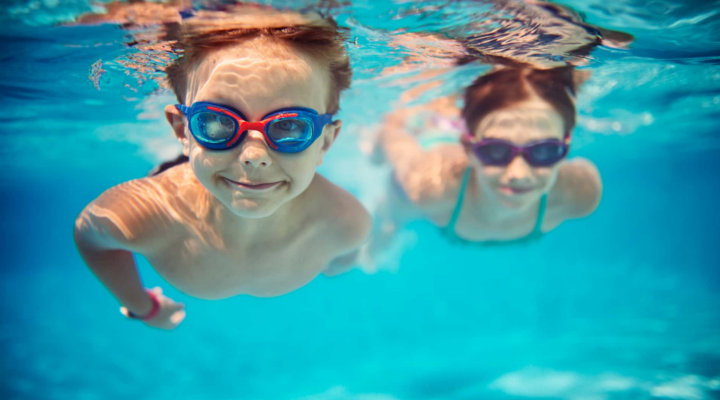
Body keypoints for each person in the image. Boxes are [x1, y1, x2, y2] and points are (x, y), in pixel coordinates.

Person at [73, 6, 371, 330]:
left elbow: (346, 255)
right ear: (181, 131)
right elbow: (90, 238)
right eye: (215, 121)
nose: (253, 156)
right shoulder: (142, 215)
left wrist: (340, 260)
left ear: (325, 143)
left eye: (289, 127)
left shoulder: (346, 224)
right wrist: (142, 307)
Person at [365, 66, 601, 265]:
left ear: (565, 147)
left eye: (544, 150)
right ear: (468, 148)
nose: (519, 174)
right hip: (433, 141)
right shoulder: (429, 184)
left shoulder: (580, 193)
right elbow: (390, 133)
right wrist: (375, 157)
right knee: (390, 220)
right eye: (496, 151)